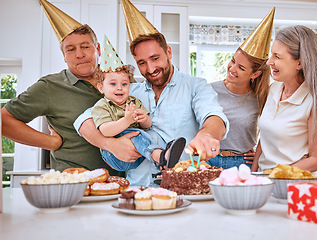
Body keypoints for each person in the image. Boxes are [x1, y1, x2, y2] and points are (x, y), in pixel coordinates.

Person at [74, 0, 229, 186]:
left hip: (182, 188)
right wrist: (110, 145)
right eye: (141, 63)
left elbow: (214, 117)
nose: (150, 68)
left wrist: (207, 135)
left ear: (169, 52)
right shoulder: (128, 91)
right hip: (136, 189)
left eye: (155, 58)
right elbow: (83, 121)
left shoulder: (195, 86)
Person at [0, 0, 126, 174]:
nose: (80, 54)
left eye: (85, 46)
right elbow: (4, 121)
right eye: (71, 49)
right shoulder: (50, 87)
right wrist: (51, 142)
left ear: (97, 49)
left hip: (122, 186)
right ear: (64, 56)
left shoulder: (120, 82)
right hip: (73, 188)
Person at [92, 35, 186, 171]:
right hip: (114, 155)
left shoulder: (133, 101)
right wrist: (127, 120)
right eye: (113, 84)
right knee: (134, 132)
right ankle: (161, 157)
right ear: (101, 88)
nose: (119, 88)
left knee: (147, 133)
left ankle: (160, 158)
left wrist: (144, 119)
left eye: (124, 84)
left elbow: (148, 125)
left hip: (138, 155)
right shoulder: (101, 106)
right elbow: (106, 131)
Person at [251, 25, 317, 173]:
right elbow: (264, 139)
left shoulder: (314, 103)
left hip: (295, 185)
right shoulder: (273, 90)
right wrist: (254, 173)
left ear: (300, 63)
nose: (269, 62)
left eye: (277, 56)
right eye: (271, 55)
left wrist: (276, 173)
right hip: (265, 181)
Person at [208, 8, 274, 170]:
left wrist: (259, 154)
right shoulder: (209, 90)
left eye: (241, 68)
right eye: (232, 61)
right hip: (209, 161)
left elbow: (271, 132)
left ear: (255, 74)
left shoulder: (260, 98)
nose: (232, 68)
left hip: (243, 163)